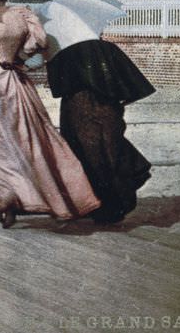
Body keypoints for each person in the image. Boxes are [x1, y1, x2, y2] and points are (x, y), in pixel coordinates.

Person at [0, 0, 100, 228]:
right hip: (18, 80)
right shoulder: (24, 15)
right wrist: (18, 53)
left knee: (0, 146)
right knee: (34, 138)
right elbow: (37, 44)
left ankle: (9, 202)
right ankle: (54, 196)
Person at [47, 35, 155, 223]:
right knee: (111, 150)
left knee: (85, 154)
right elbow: (134, 84)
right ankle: (117, 203)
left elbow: (57, 87)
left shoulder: (64, 53)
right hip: (107, 109)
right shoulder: (107, 48)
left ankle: (97, 204)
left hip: (78, 109)